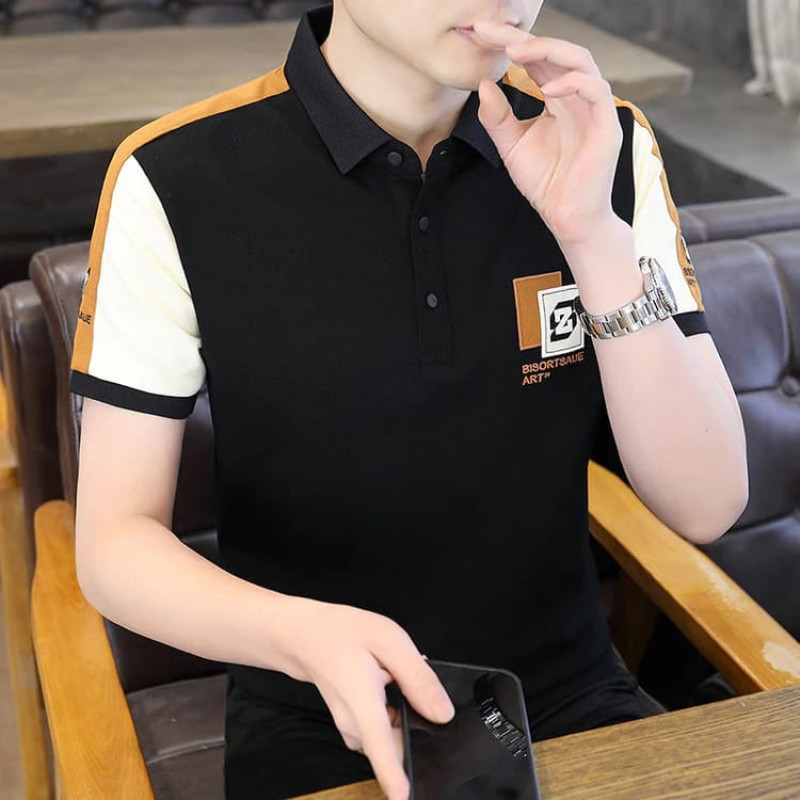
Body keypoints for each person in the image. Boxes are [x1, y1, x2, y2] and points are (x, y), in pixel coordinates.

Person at [70, 2, 749, 799]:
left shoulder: (604, 141)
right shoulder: (175, 175)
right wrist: (300, 634)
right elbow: (114, 542)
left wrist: (592, 236)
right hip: (315, 718)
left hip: (570, 698)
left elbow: (706, 503)